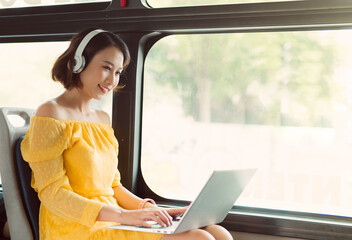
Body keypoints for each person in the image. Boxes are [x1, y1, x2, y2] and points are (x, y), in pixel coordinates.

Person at [20, 28, 233, 240]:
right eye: (106, 68)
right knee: (200, 239)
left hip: (113, 218)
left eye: (118, 72)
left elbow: (113, 186)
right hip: (73, 227)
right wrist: (124, 215)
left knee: (217, 232)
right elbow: (53, 194)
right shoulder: (50, 113)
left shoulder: (102, 119)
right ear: (78, 63)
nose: (112, 80)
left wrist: (149, 209)